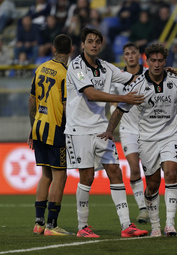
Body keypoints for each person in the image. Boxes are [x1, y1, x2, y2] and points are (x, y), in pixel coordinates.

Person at [100, 43, 177, 237]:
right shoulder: (138, 86)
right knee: (153, 185)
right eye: (153, 61)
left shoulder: (175, 81)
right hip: (147, 140)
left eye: (160, 61)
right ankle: (155, 224)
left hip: (171, 135)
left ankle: (170, 224)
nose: (157, 64)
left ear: (166, 61)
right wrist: (109, 130)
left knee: (171, 174)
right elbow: (121, 109)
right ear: (147, 61)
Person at [65, 27, 148, 238]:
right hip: (79, 129)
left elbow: (132, 79)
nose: (94, 44)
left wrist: (159, 75)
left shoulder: (106, 67)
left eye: (97, 41)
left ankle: (126, 225)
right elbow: (91, 95)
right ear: (82, 45)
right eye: (90, 41)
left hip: (101, 129)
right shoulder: (76, 65)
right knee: (87, 176)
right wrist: (124, 99)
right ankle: (82, 227)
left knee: (115, 172)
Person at [28, 34, 74, 236]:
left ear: (53, 49)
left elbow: (31, 101)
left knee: (45, 174)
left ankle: (38, 223)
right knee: (59, 176)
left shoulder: (40, 68)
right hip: (56, 130)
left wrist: (32, 127)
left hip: (38, 127)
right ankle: (52, 225)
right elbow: (65, 106)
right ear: (71, 50)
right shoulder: (66, 73)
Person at [110, 42, 149, 224]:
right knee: (134, 167)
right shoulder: (118, 77)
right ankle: (143, 209)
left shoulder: (149, 74)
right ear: (123, 57)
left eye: (134, 53)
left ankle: (150, 204)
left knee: (151, 171)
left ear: (139, 55)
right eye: (127, 53)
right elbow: (112, 102)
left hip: (149, 129)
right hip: (127, 129)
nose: (131, 56)